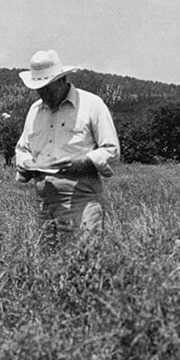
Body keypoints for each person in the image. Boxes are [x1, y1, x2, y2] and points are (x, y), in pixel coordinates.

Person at [14, 49, 120, 248]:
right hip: (44, 202)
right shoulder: (35, 110)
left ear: (62, 80)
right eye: (39, 89)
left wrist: (82, 162)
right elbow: (22, 149)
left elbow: (111, 150)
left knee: (83, 262)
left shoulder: (91, 104)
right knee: (48, 266)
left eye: (47, 88)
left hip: (81, 199)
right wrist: (25, 163)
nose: (43, 94)